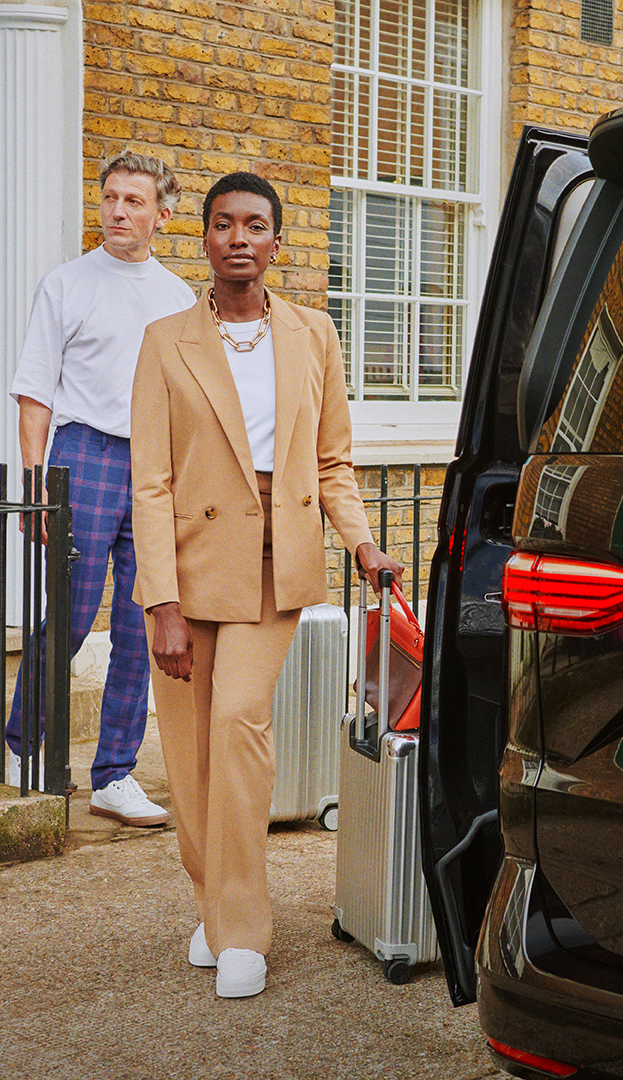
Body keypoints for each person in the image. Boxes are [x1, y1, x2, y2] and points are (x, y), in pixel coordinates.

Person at [131, 171, 403, 998]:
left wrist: (361, 545)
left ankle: (244, 930)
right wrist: (162, 604)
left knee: (239, 728)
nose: (239, 238)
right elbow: (150, 482)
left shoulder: (314, 335)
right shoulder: (165, 339)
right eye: (223, 225)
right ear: (204, 239)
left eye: (255, 225)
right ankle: (215, 904)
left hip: (273, 569)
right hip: (188, 570)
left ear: (277, 242)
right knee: (189, 754)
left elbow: (332, 462)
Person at [4, 151, 195, 826]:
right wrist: (35, 486)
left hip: (154, 467)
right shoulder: (66, 283)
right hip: (83, 455)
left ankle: (114, 774)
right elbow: (35, 393)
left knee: (141, 625)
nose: (117, 210)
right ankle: (24, 751)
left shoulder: (178, 299)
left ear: (162, 216)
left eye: (133, 201)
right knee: (72, 615)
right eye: (110, 197)